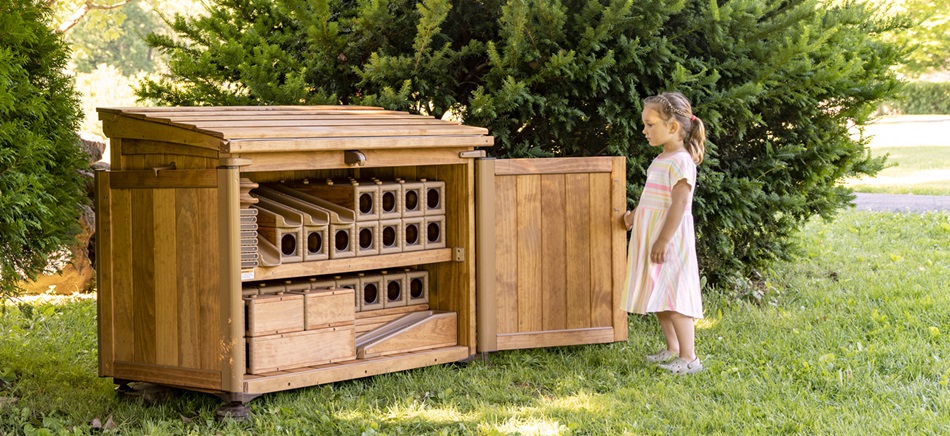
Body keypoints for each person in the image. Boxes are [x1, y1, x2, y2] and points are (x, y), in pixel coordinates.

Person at [621, 91, 706, 375]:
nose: (644, 130)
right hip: (653, 234)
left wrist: (663, 239)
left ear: (672, 127)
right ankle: (672, 349)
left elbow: (680, 204)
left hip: (670, 238)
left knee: (675, 296)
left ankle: (690, 357)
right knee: (659, 294)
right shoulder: (662, 159)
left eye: (650, 124)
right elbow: (652, 197)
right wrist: (633, 217)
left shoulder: (681, 161)